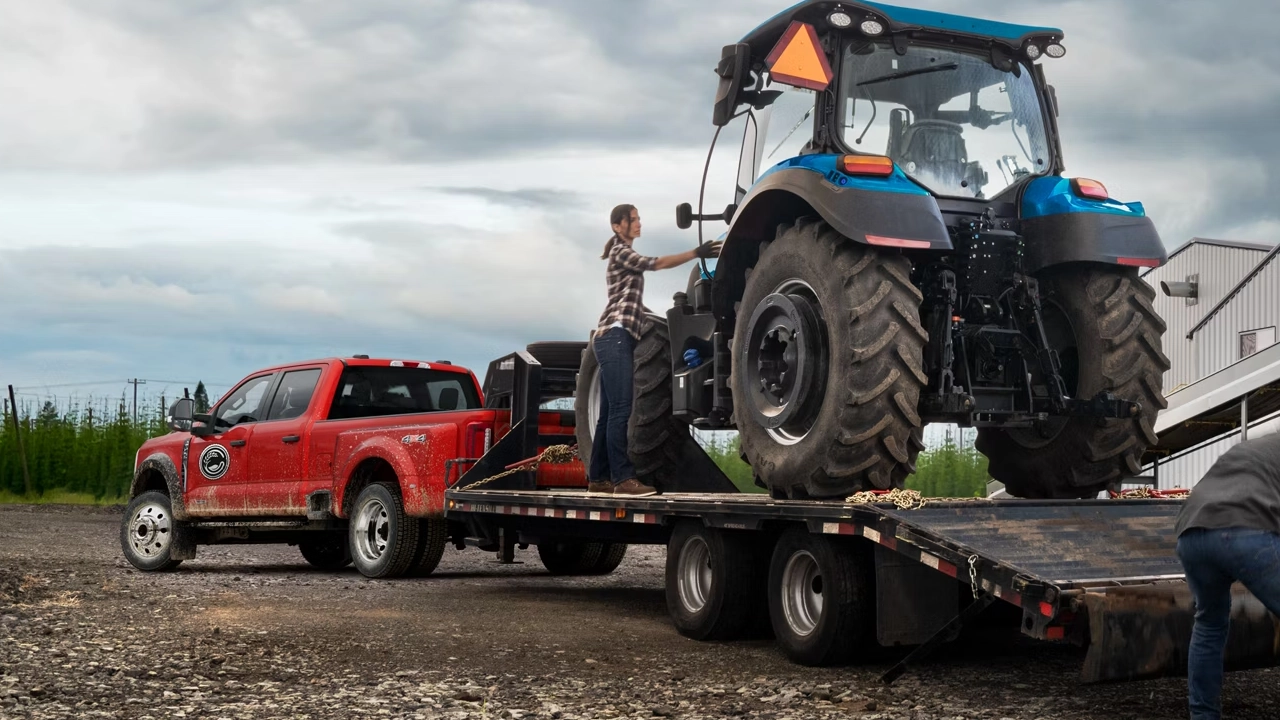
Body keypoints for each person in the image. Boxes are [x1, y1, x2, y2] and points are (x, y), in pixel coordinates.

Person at [588, 204, 720, 496]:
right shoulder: (622, 252)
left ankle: (598, 480)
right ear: (617, 226)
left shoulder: (621, 255)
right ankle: (623, 479)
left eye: (638, 219)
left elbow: (629, 302)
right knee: (621, 409)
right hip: (615, 336)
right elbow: (656, 264)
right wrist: (695, 254)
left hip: (615, 336)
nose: (638, 224)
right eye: (632, 220)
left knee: (609, 411)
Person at [1174, 430, 1280, 720]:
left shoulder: (1255, 448)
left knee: (1209, 624)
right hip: (1246, 529)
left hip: (1191, 533)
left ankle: (1203, 715)